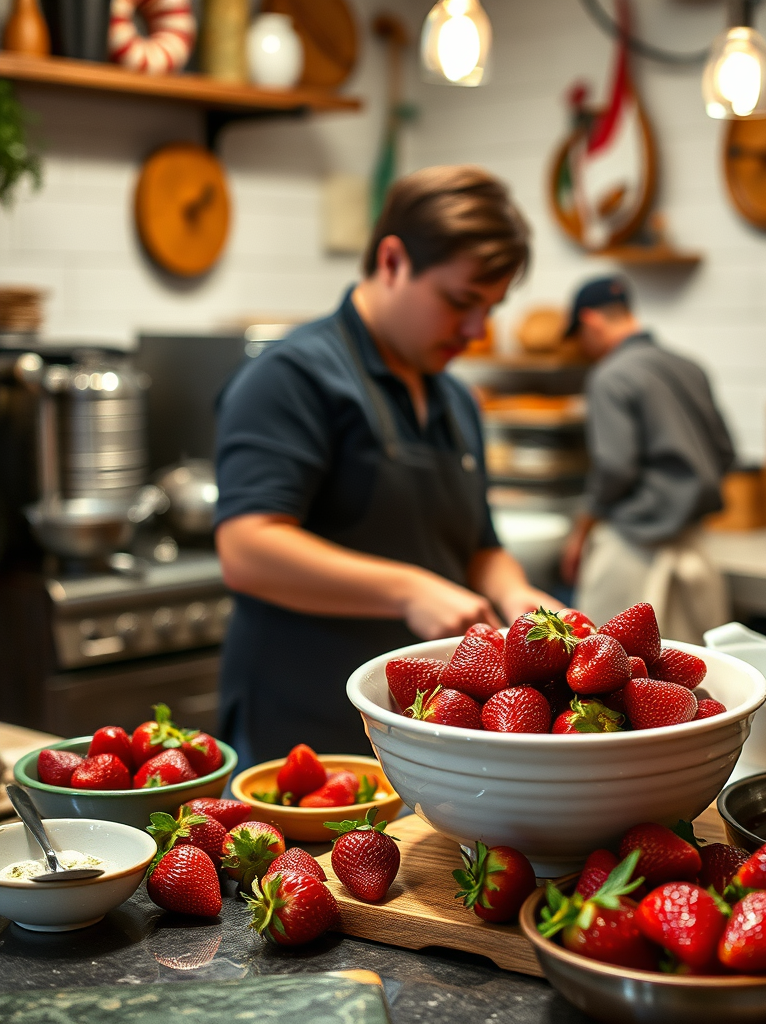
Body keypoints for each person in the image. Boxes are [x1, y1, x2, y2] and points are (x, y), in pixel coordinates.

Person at [214, 166, 556, 766]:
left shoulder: (454, 399)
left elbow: (477, 543)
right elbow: (246, 548)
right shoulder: (292, 378)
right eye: (460, 302)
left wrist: (514, 591)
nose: (477, 332)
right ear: (393, 261)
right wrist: (407, 591)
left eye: (492, 308)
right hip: (305, 725)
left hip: (424, 732)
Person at [560, 276, 736, 640]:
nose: (583, 348)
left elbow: (614, 467)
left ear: (591, 322)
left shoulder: (610, 376)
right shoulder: (689, 366)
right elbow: (725, 452)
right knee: (690, 680)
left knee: (608, 674)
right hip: (695, 545)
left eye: (579, 336)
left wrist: (582, 527)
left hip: (633, 551)